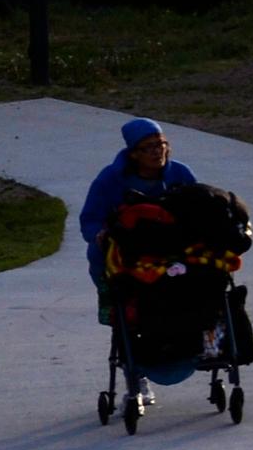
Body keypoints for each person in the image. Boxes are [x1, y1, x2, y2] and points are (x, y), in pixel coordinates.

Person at [81, 117, 197, 320]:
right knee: (97, 251)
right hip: (130, 246)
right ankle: (111, 302)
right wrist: (99, 234)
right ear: (134, 154)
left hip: (174, 243)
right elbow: (90, 220)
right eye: (148, 147)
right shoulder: (110, 179)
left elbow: (201, 207)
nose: (157, 151)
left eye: (161, 144)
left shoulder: (180, 173)